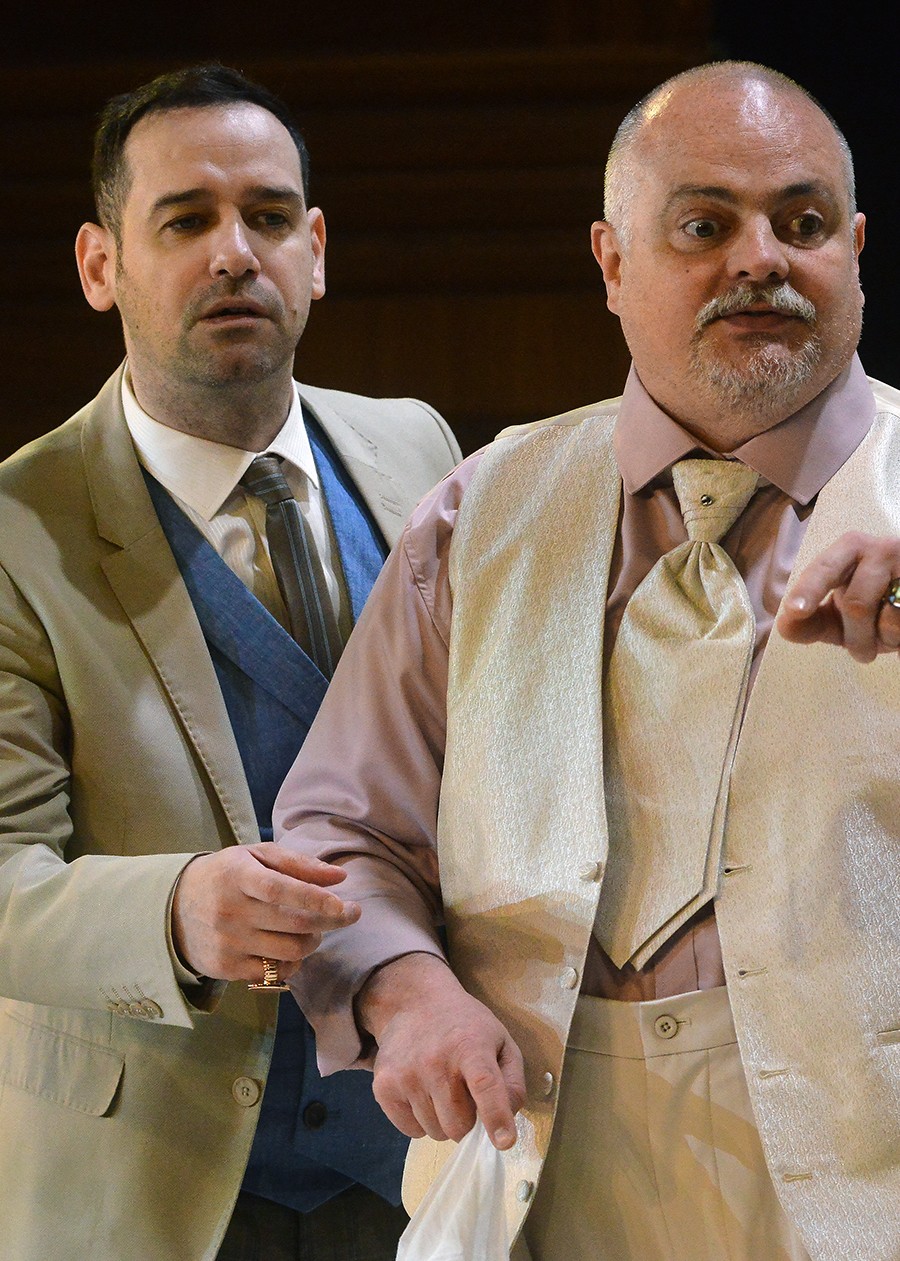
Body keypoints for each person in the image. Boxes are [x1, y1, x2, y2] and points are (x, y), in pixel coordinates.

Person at [274, 61, 900, 1261]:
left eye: (804, 222)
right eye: (705, 226)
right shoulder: (479, 511)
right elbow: (342, 833)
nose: (761, 258)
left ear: (856, 251)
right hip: (530, 1170)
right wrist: (409, 995)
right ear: (612, 264)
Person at [0, 64, 461, 1261]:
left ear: (316, 249)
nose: (235, 253)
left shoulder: (418, 449)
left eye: (267, 216)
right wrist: (171, 910)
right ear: (100, 265)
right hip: (158, 1189)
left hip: (423, 1168)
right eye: (185, 220)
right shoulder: (16, 529)